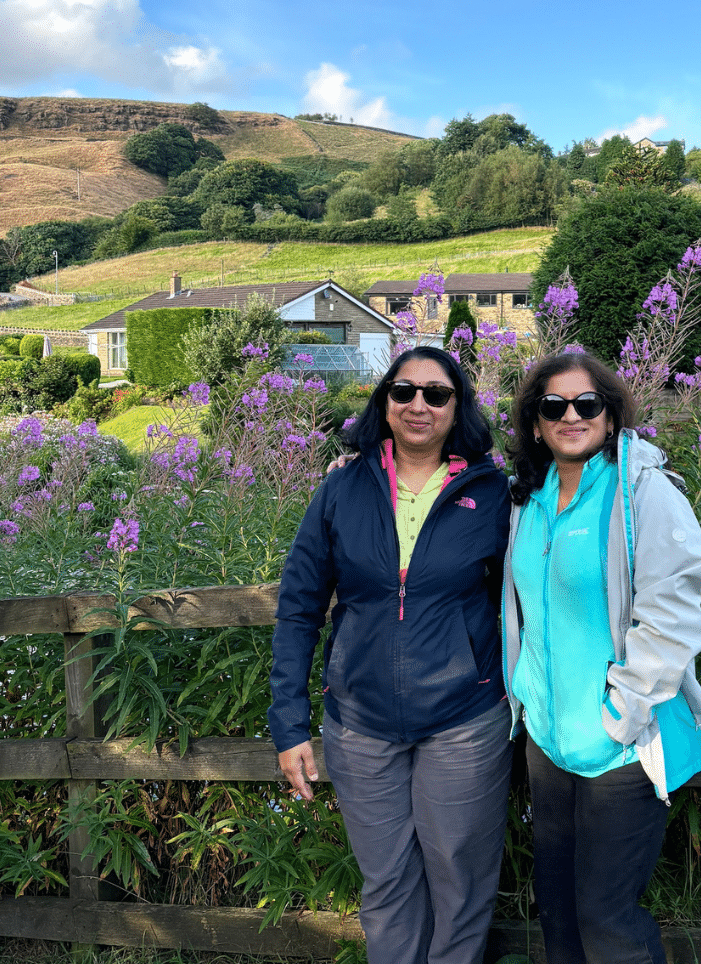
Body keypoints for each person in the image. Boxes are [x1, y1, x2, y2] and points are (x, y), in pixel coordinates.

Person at [269, 346, 513, 964]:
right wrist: (289, 724)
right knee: (386, 885)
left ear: (458, 408)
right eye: (404, 392)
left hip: (463, 720)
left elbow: (522, 599)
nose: (418, 405)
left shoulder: (491, 494)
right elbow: (299, 607)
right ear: (383, 403)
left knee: (460, 882)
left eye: (437, 393)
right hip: (360, 724)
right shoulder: (342, 487)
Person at [502, 351, 701, 964]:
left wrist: (626, 708)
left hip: (621, 743)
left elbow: (672, 612)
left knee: (606, 917)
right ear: (535, 424)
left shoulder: (641, 492)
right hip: (548, 739)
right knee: (557, 907)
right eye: (553, 406)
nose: (571, 416)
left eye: (587, 404)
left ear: (610, 416)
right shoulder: (527, 498)